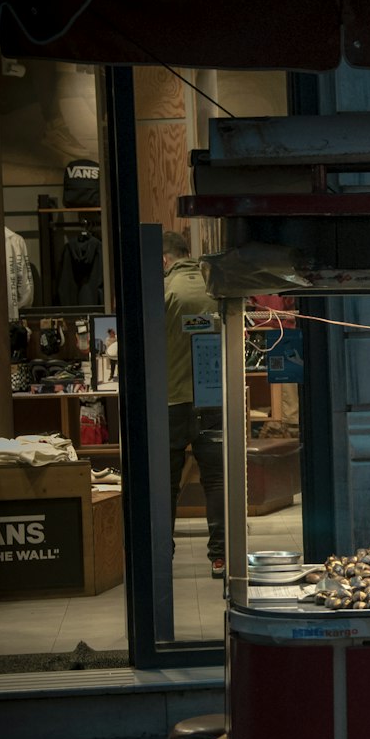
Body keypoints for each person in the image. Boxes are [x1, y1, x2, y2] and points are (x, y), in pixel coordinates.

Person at [163, 231, 225, 579]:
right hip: (212, 398)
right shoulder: (214, 286)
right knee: (215, 481)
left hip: (172, 399)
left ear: (164, 260)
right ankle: (220, 557)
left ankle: (163, 553)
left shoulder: (162, 291)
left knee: (167, 482)